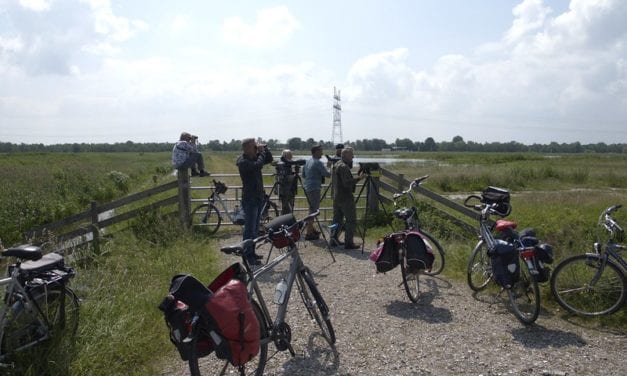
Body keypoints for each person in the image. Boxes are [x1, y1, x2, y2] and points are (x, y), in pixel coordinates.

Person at [237, 138, 273, 265]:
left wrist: (265, 149)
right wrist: (261, 152)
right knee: (249, 229)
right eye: (254, 147)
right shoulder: (243, 162)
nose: (256, 148)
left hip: (258, 197)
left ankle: (252, 253)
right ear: (247, 148)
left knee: (255, 229)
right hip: (250, 198)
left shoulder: (254, 158)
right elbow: (258, 165)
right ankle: (247, 256)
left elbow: (269, 159)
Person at [331, 146, 366, 249]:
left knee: (337, 219)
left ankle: (333, 239)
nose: (353, 157)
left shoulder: (337, 164)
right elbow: (347, 183)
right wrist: (360, 178)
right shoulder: (343, 167)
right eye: (351, 155)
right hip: (345, 197)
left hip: (337, 196)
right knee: (351, 220)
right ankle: (349, 242)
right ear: (345, 155)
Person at [302, 144, 331, 240]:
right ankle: (309, 233)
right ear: (316, 152)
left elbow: (303, 175)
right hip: (314, 188)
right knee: (314, 211)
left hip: (308, 187)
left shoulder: (308, 161)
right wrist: (329, 166)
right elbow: (327, 175)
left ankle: (311, 230)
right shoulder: (318, 162)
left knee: (311, 209)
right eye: (321, 151)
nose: (322, 153)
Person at [276, 149, 297, 215]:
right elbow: (283, 178)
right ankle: (284, 221)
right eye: (289, 155)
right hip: (284, 190)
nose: (291, 157)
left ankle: (289, 220)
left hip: (291, 189)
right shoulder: (282, 165)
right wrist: (293, 176)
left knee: (291, 206)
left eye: (291, 155)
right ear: (284, 156)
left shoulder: (291, 164)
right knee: (286, 207)